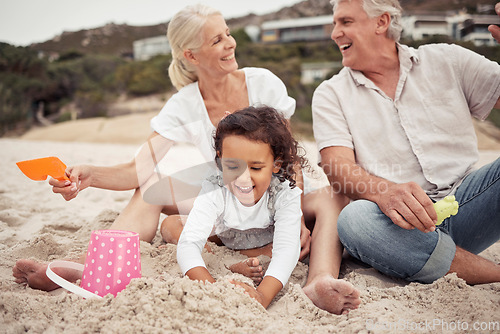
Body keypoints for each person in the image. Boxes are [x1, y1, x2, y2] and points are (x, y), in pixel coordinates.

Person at [13, 4, 360, 314]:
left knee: (334, 196)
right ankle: (93, 267)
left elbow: (290, 156)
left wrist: (294, 211)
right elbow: (139, 168)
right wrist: (88, 175)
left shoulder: (262, 83)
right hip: (230, 196)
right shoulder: (184, 104)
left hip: (279, 189)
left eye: (228, 34)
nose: (230, 43)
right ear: (191, 56)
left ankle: (319, 280)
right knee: (152, 186)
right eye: (217, 41)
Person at [312, 0, 500, 285]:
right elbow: (336, 167)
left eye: (345, 22)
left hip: (468, 205)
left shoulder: (447, 60)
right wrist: (385, 192)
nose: (335, 33)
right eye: (336, 23)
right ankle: (488, 273)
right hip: (396, 226)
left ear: (381, 22)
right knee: (353, 220)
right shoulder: (331, 93)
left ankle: (449, 261)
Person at [173, 106, 303, 309]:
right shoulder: (215, 188)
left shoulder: (284, 194)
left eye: (256, 168)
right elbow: (188, 244)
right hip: (226, 237)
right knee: (171, 225)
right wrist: (212, 289)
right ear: (220, 159)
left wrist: (262, 296)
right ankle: (228, 262)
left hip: (263, 246)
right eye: (232, 167)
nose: (243, 177)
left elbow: (286, 251)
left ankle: (237, 261)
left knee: (296, 248)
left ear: (276, 164)